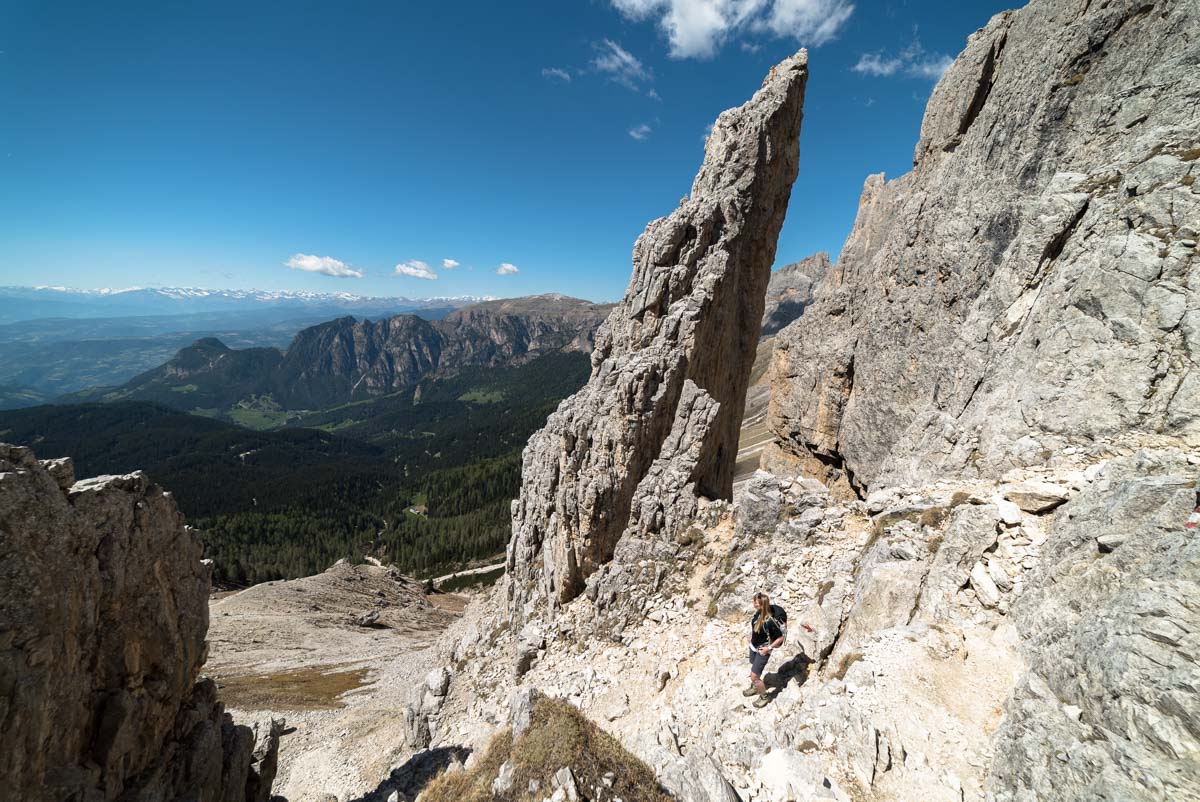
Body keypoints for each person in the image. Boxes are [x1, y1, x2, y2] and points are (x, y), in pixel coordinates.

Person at [743, 591, 786, 708]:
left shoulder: (770, 621)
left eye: (756, 602)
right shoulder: (758, 613)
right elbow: (756, 626)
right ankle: (756, 686)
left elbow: (781, 637)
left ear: (762, 604)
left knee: (754, 676)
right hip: (753, 646)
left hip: (763, 650)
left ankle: (764, 696)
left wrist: (769, 648)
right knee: (753, 665)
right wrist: (753, 636)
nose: (754, 604)